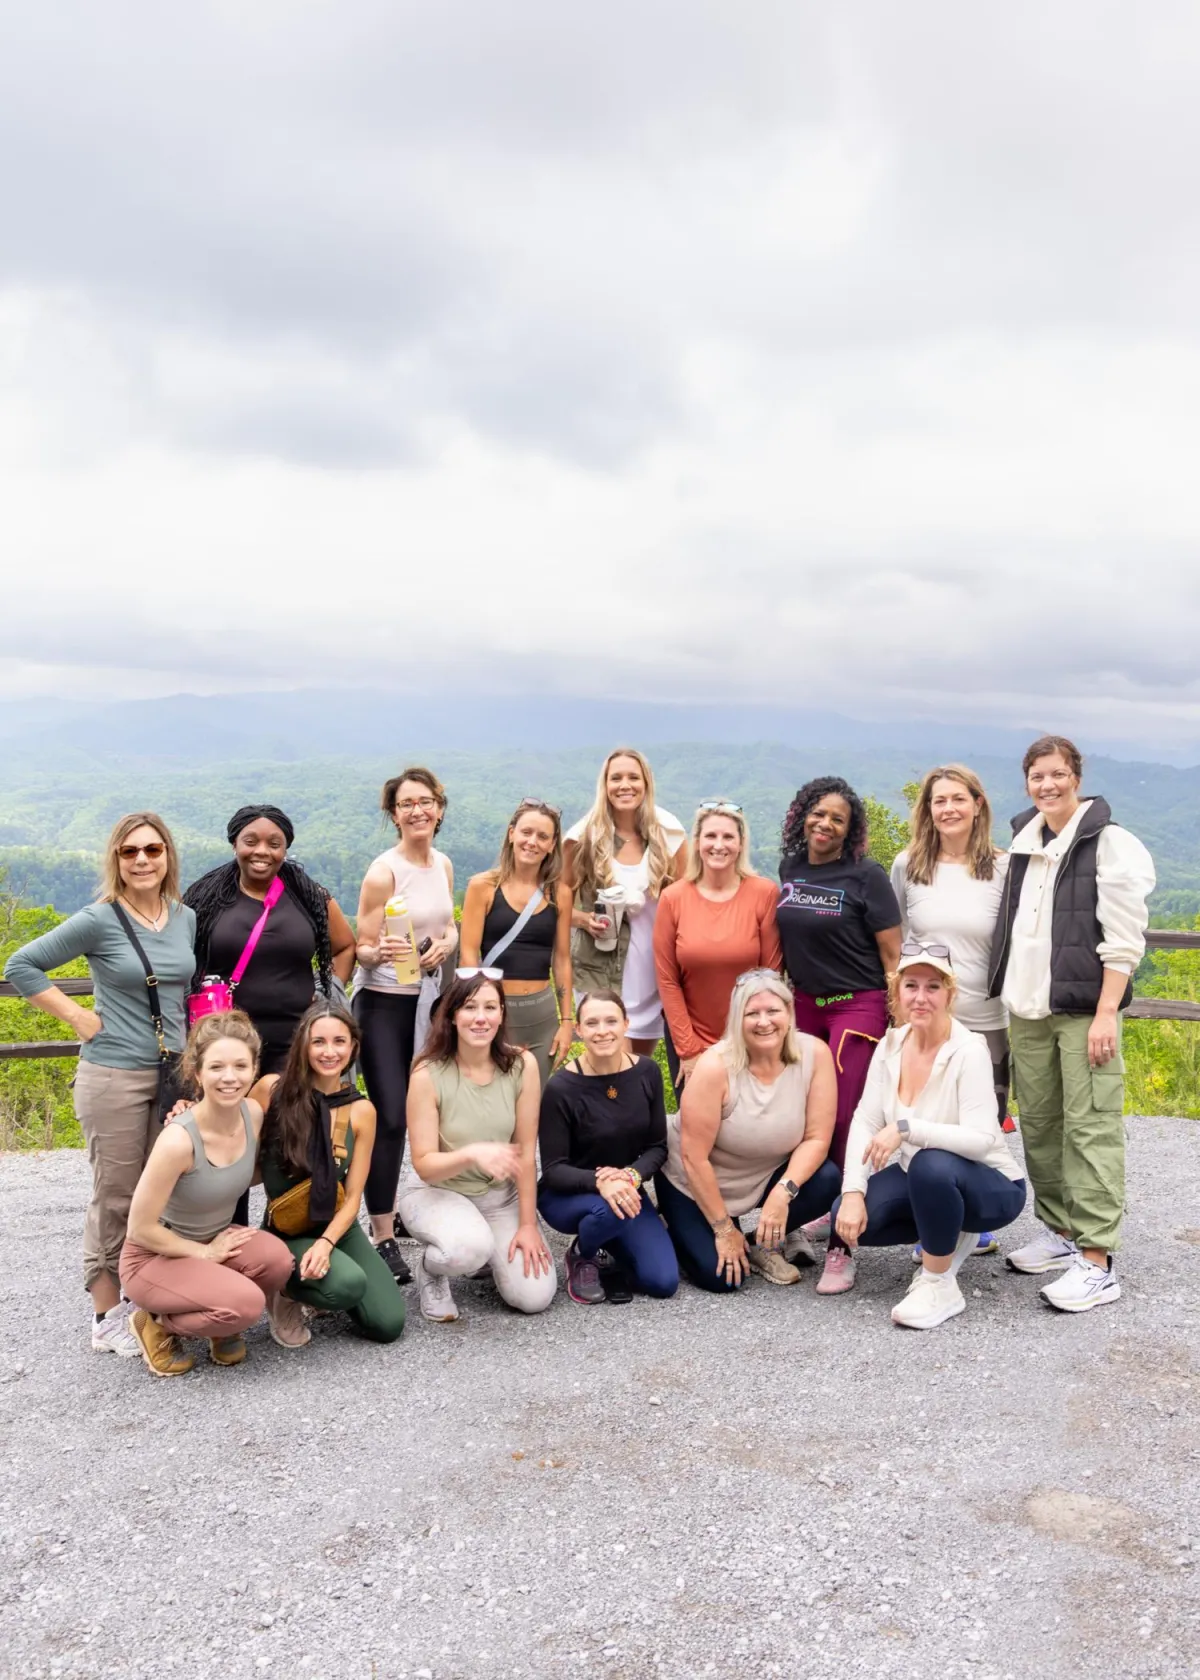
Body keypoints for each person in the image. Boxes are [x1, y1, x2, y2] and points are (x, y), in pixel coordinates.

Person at [4, 811, 196, 1357]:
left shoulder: (185, 918)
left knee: (160, 1193)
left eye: (152, 850)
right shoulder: (100, 919)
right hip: (111, 1074)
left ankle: (145, 1298)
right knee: (115, 1196)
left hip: (171, 1076)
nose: (141, 860)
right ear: (115, 859)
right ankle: (106, 1315)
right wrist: (78, 1017)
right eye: (129, 851)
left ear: (167, 857)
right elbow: (23, 965)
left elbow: (179, 996)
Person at [988, 734, 1155, 1312]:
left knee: (1090, 1126)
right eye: (1037, 776)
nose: (1048, 785)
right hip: (1027, 1008)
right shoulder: (1025, 841)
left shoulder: (1111, 844)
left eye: (1058, 774)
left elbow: (1124, 940)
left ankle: (1097, 1258)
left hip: (1085, 1011)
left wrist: (1108, 1011)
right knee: (1039, 1123)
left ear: (1076, 777)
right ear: (1027, 782)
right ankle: (1060, 1232)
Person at [832, 942, 1027, 1329]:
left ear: (950, 995)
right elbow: (865, 1121)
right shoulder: (889, 1045)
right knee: (847, 1216)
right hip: (924, 1179)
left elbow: (982, 1139)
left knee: (929, 1162)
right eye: (912, 986)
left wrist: (908, 1128)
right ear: (897, 993)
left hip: (991, 1185)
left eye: (933, 987)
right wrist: (853, 1191)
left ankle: (939, 1283)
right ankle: (950, 1232)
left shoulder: (969, 1049)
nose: (921, 998)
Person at [776, 776, 902, 1295]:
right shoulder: (790, 869)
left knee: (848, 1117)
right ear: (801, 814)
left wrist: (900, 1021)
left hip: (858, 1005)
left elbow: (893, 958)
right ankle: (808, 1213)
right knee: (803, 1113)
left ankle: (842, 1248)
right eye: (817, 813)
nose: (824, 824)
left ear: (850, 831)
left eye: (837, 819)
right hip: (804, 1005)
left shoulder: (866, 876)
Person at [119, 1011, 294, 1376]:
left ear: (253, 1069)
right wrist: (204, 1252)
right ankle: (155, 1325)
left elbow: (247, 1173)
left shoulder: (253, 1115)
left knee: (279, 1261)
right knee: (245, 1306)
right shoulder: (178, 1141)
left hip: (212, 1240)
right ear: (197, 1073)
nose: (229, 1077)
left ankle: (218, 1321)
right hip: (153, 1258)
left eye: (240, 1066)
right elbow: (139, 1229)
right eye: (216, 1067)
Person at [655, 972, 841, 1293]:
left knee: (826, 1179)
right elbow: (693, 1157)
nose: (763, 1022)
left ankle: (758, 1243)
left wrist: (783, 1192)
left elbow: (817, 1138)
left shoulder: (815, 1054)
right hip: (693, 1181)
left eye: (773, 1011)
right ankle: (671, 1225)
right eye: (751, 1013)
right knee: (724, 1279)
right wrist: (724, 1230)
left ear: (789, 1013)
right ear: (736, 1019)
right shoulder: (715, 1066)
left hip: (763, 1175)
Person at [891, 764, 1011, 1260]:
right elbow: (895, 942)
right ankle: (934, 1217)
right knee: (924, 1117)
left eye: (958, 799)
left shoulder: (1004, 868)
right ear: (927, 809)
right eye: (939, 801)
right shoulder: (909, 866)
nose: (948, 809)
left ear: (977, 804)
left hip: (988, 1014)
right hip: (924, 1014)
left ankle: (973, 1218)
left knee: (985, 1120)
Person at [399, 971, 557, 1322]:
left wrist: (528, 1225)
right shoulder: (427, 1073)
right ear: (453, 1015)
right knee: (466, 1249)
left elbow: (526, 1152)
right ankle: (432, 1270)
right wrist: (472, 1153)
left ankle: (489, 1249)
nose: (481, 1017)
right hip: (438, 1191)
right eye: (470, 1007)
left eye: (491, 1007)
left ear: (502, 1014)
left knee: (534, 1297)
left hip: (500, 1198)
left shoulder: (522, 1065)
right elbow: (424, 1164)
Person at [352, 767, 458, 1283]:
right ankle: (382, 1233)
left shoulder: (442, 864)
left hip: (431, 1000)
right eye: (406, 803)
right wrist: (381, 952)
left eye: (426, 801)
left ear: (440, 808)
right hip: (384, 1004)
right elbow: (361, 948)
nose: (418, 811)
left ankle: (413, 1210)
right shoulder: (383, 872)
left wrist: (449, 944)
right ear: (393, 814)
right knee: (391, 1116)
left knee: (430, 1111)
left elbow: (449, 922)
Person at [253, 1003, 405, 1347]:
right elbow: (229, 1137)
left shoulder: (361, 1110)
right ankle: (285, 1291)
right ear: (303, 1045)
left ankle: (320, 1276)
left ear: (353, 1047)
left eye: (339, 1041)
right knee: (347, 1284)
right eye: (318, 1041)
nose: (329, 1051)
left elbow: (352, 1196)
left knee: (388, 1323)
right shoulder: (271, 1090)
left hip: (337, 1224)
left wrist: (326, 1243)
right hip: (288, 1227)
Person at [185, 804, 356, 1076]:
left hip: (296, 1041)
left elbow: (345, 946)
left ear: (284, 850)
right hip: (226, 1044)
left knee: (291, 1116)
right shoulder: (206, 899)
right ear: (234, 845)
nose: (262, 851)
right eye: (250, 842)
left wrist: (326, 991)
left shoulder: (309, 897)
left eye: (274, 844)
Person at [537, 989, 678, 1304]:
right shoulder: (560, 1089)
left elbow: (657, 1147)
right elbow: (554, 1169)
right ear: (579, 1030)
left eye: (611, 1021)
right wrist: (601, 1181)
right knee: (607, 1212)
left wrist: (629, 1176)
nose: (602, 1031)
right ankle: (582, 1254)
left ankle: (610, 1241)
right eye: (592, 1023)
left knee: (662, 1281)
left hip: (626, 1189)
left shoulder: (647, 1072)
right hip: (569, 1195)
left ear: (626, 1024)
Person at [564, 748, 687, 1053]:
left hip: (652, 973)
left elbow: (688, 900)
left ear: (646, 783)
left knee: (639, 1066)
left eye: (633, 777)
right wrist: (583, 920)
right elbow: (556, 898)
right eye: (616, 778)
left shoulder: (668, 834)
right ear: (604, 785)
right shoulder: (584, 837)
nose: (625, 785)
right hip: (600, 970)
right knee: (610, 1065)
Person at [654, 802, 781, 1089]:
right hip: (690, 1042)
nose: (719, 845)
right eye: (711, 836)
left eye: (728, 837)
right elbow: (667, 980)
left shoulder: (764, 894)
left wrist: (753, 1042)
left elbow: (771, 978)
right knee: (697, 1130)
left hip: (752, 1039)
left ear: (741, 843)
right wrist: (689, 1051)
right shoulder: (673, 898)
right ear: (697, 842)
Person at [459, 799, 575, 1087]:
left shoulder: (559, 893)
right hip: (495, 1013)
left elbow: (561, 959)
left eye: (542, 836)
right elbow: (469, 952)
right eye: (526, 832)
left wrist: (567, 1022)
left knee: (533, 1104)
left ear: (552, 845)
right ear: (512, 834)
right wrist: (477, 1010)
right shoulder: (483, 887)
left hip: (541, 1016)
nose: (532, 842)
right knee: (491, 1098)